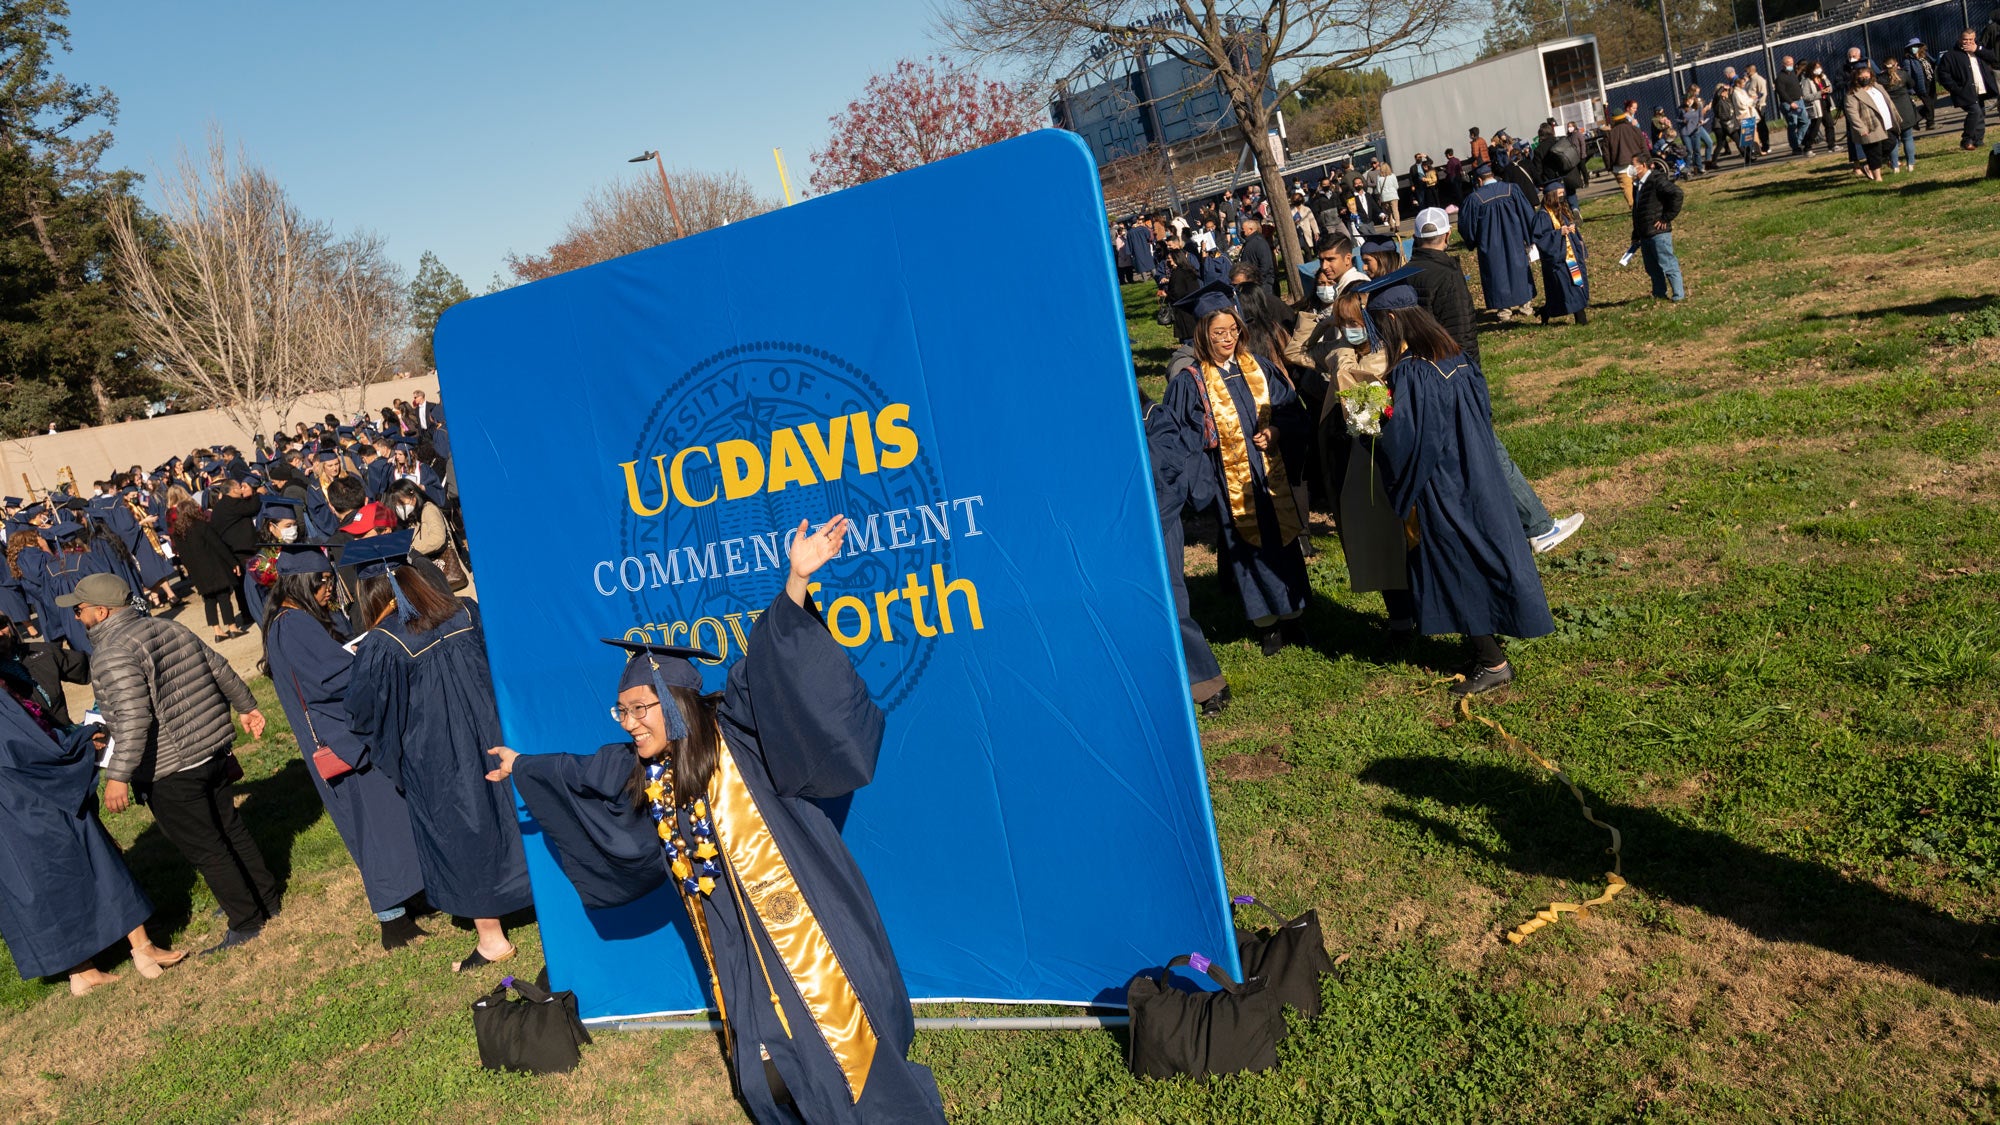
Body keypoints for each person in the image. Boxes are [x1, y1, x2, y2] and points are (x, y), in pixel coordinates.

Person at [490, 524, 949, 1125]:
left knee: (841, 1049)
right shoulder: (643, 769)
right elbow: (585, 770)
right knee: (765, 1078)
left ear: (674, 704)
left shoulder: (737, 732)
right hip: (730, 931)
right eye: (621, 711)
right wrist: (523, 764)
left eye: (639, 709)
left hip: (799, 915)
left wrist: (798, 580)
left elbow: (773, 665)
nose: (629, 723)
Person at [342, 531, 532, 972]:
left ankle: (492, 939)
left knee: (465, 831)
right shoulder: (465, 611)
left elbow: (364, 710)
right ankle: (542, 898)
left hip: (439, 757)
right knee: (512, 814)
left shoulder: (383, 644)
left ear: (371, 597)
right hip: (495, 733)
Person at [77, 572, 281, 954]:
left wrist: (118, 776)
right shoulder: (165, 628)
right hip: (210, 751)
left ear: (101, 611)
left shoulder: (112, 653)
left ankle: (246, 919)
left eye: (80, 609)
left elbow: (135, 718)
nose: (76, 615)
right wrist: (247, 706)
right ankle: (265, 899)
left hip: (172, 767)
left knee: (206, 847)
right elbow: (218, 667)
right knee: (230, 828)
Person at [1370, 301, 1555, 695]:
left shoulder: (1413, 371)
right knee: (1482, 554)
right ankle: (1485, 649)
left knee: (1456, 564)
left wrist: (1370, 426)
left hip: (1442, 483)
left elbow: (1407, 440)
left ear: (1391, 320)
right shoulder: (1456, 356)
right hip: (1477, 471)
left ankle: (1492, 662)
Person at [262, 543, 428, 950]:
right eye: (321, 582)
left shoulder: (290, 622)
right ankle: (394, 920)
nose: (328, 590)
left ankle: (412, 899)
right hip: (343, 744)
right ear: (300, 583)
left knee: (385, 822)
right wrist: (371, 654)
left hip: (344, 737)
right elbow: (332, 680)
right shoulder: (293, 625)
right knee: (372, 826)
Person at [0, 677, 187, 996]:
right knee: (99, 863)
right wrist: (83, 742)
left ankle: (82, 972)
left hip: (9, 818)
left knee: (43, 888)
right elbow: (31, 753)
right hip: (37, 801)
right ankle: (143, 951)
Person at [1161, 282, 1311, 655]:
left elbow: (1292, 411)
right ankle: (1267, 626)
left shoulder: (1258, 368)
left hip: (1268, 473)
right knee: (1246, 549)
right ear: (1203, 335)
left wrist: (1277, 430)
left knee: (1283, 541)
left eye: (1232, 330)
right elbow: (1178, 439)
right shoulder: (1190, 383)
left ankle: (1294, 617)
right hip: (1228, 480)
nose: (1227, 339)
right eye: (1218, 333)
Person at [1313, 287, 1412, 633]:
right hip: (1356, 463)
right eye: (1342, 324)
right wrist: (1325, 331)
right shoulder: (1347, 354)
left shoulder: (1390, 360)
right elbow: (1299, 351)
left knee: (1398, 539)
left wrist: (1346, 368)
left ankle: (1413, 615)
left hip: (1382, 460)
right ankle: (1400, 617)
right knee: (1377, 540)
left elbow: (1364, 417)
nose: (1348, 331)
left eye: (1353, 323)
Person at [1456, 164, 1536, 320]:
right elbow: (1527, 213)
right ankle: (1526, 306)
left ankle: (1504, 311)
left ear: (1479, 180)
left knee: (1497, 273)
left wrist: (1472, 241)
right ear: (1492, 175)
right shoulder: (1512, 190)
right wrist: (1529, 236)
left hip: (1490, 244)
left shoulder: (1475, 199)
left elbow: (1466, 225)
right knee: (1519, 268)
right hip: (1515, 239)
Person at [171, 500, 249, 642]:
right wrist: (232, 562)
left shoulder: (177, 533)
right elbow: (218, 545)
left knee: (209, 600)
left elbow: (183, 557)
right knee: (223, 597)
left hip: (197, 572)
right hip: (214, 567)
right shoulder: (201, 526)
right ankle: (232, 627)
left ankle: (217, 631)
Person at [1530, 183, 1589, 326]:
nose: (1562, 197)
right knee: (1565, 290)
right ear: (1552, 196)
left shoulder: (1561, 210)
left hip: (1570, 256)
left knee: (1575, 286)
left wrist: (1572, 228)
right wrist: (1558, 234)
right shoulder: (1543, 216)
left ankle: (1548, 312)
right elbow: (1539, 239)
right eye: (1559, 194)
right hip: (1558, 260)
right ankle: (1579, 319)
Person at [1632, 154, 1686, 301]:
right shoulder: (1637, 185)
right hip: (1645, 233)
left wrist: (1666, 217)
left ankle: (1678, 295)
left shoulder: (1656, 180)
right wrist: (1636, 234)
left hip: (1659, 233)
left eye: (1633, 165)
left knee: (1668, 263)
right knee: (1652, 268)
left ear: (1643, 165)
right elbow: (1637, 210)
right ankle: (1659, 294)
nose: (1631, 169)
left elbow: (1677, 194)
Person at [1938, 29, 2000, 150]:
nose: (1968, 42)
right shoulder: (1950, 55)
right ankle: (1966, 140)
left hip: (1980, 88)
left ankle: (1978, 140)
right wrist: (1955, 88)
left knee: (1981, 113)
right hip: (1964, 91)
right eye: (1965, 39)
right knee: (1975, 112)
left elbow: (1994, 58)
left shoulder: (1978, 50)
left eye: (1971, 39)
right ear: (1959, 39)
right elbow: (1943, 75)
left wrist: (1977, 49)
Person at [1843, 65, 1902, 181]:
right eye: (1861, 77)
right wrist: (1861, 128)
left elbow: (1888, 102)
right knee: (1874, 151)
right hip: (1869, 126)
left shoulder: (1877, 87)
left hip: (1886, 123)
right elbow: (1852, 114)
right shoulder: (1852, 94)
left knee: (1891, 142)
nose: (1864, 78)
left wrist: (1896, 116)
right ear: (1856, 78)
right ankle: (1877, 178)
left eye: (1867, 76)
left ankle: (1869, 166)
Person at [1601, 106, 1650, 206]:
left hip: (1620, 166)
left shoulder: (1610, 134)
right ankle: (1647, 205)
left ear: (1613, 121)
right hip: (1638, 163)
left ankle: (1634, 209)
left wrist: (1609, 166)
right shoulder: (1634, 129)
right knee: (1644, 185)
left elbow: (1606, 153)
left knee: (1627, 188)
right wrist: (1648, 160)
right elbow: (1643, 146)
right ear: (1624, 118)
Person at [1881, 59, 1922, 172]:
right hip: (1905, 110)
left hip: (1890, 112)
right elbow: (1912, 84)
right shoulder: (1903, 74)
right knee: (1908, 138)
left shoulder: (1880, 79)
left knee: (1893, 140)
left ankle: (1895, 166)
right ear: (1896, 65)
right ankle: (1911, 164)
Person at [1238, 214, 1278, 298]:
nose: (1241, 231)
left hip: (1262, 284)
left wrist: (1257, 279)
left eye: (1243, 229)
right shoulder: (1250, 242)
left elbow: (1265, 265)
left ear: (1251, 230)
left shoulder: (1260, 243)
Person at [1774, 56, 1807, 154]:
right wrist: (1790, 102)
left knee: (1806, 121)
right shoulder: (1780, 77)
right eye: (1788, 63)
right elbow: (1781, 92)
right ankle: (1795, 147)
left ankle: (1798, 141)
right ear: (1783, 64)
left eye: (1791, 63)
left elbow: (1797, 85)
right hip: (1789, 104)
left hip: (1799, 101)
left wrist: (1800, 95)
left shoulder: (1793, 73)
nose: (1790, 65)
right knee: (1793, 124)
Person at [1680, 88, 1716, 173]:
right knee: (1689, 150)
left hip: (1696, 129)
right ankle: (1687, 168)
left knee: (1698, 149)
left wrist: (1701, 120)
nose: (1696, 96)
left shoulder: (1697, 106)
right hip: (1686, 131)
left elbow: (1700, 115)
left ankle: (1700, 167)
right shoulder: (1682, 108)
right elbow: (1679, 119)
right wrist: (1683, 121)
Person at [1743, 63, 1773, 154]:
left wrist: (1758, 105)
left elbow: (1763, 93)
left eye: (1747, 70)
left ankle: (1765, 145)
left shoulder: (1759, 79)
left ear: (1751, 70)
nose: (1745, 72)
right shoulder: (1749, 81)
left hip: (1758, 106)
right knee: (1753, 127)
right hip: (1751, 107)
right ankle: (1755, 147)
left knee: (1761, 126)